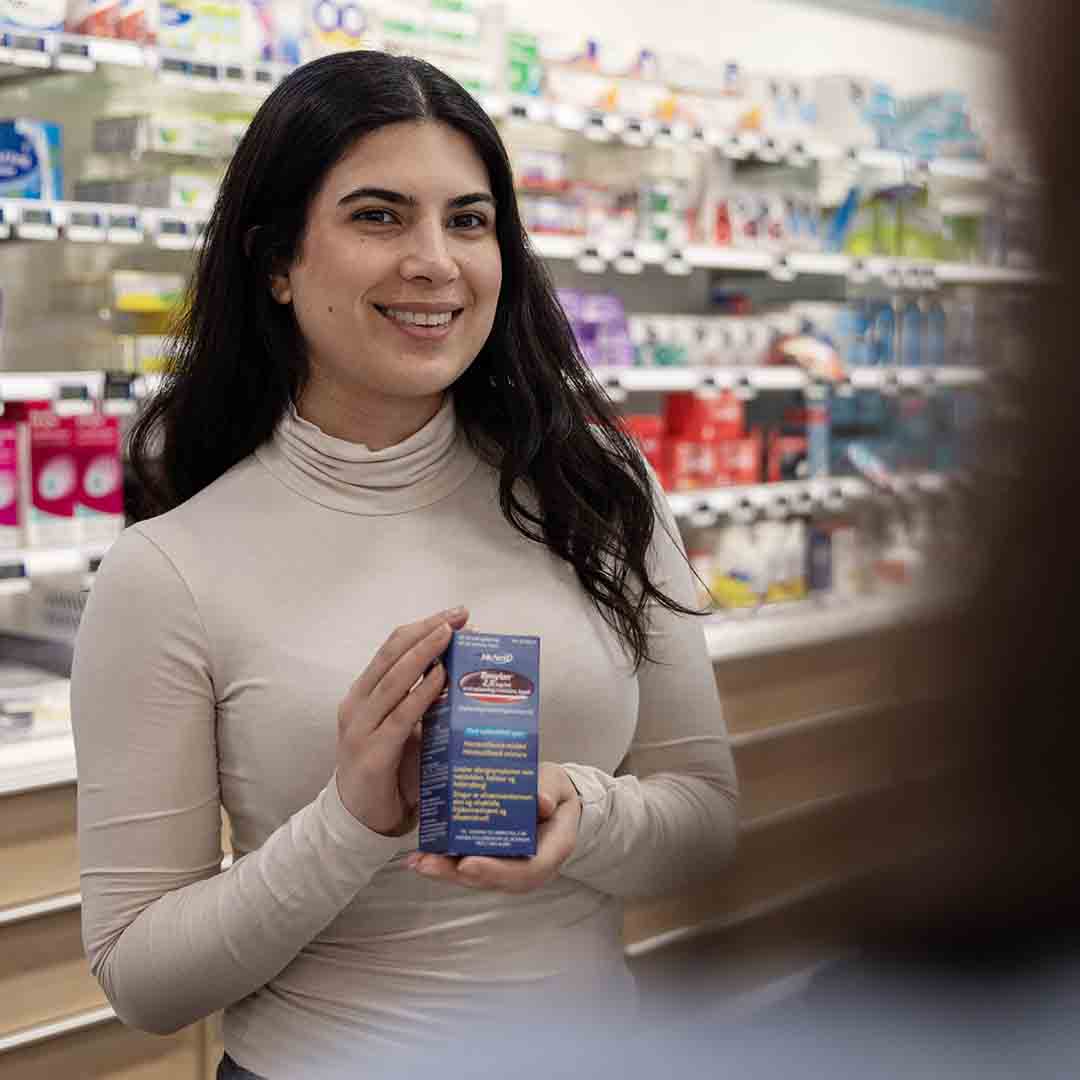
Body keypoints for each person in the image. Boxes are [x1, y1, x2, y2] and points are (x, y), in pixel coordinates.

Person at [69, 50, 738, 1080]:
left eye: (468, 220)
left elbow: (705, 824)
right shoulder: (171, 568)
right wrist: (348, 823)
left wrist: (577, 806)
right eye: (379, 216)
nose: (435, 261)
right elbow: (145, 979)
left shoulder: (597, 490)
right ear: (275, 261)